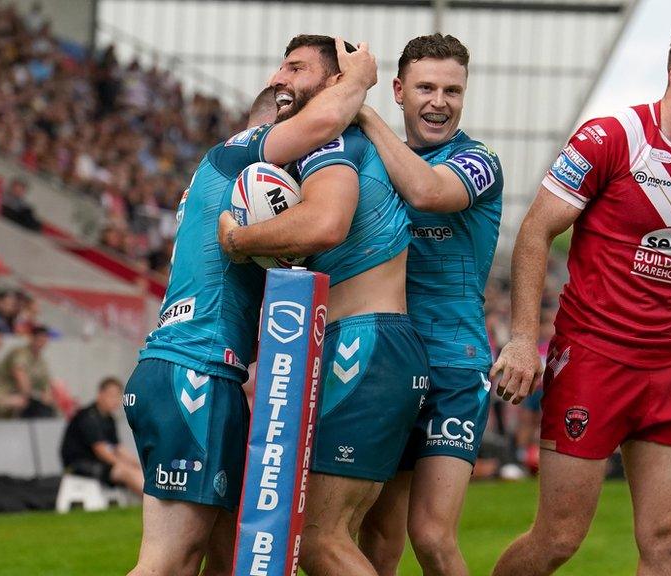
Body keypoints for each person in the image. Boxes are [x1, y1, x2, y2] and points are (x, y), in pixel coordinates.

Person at [490, 23, 671, 576]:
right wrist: (519, 339)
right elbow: (536, 232)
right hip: (593, 361)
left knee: (669, 544)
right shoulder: (610, 137)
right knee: (558, 539)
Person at [122, 38, 378, 576]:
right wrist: (357, 80)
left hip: (194, 369)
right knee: (169, 561)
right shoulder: (242, 150)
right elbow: (323, 120)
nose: (280, 76)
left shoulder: (235, 183)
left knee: (223, 557)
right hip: (194, 369)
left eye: (294, 68)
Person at [218, 35, 427, 576]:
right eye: (278, 66)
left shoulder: (335, 142)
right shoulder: (337, 145)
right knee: (350, 536)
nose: (278, 78)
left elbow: (326, 223)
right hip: (368, 344)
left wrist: (240, 238)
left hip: (363, 343)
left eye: (295, 67)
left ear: (335, 83)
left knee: (316, 539)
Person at [346, 33, 503, 576]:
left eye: (453, 90)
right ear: (399, 90)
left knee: (432, 536)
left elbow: (428, 193)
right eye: (426, 87)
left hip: (453, 366)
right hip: (387, 360)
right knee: (377, 534)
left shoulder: (478, 160)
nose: (440, 101)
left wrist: (365, 118)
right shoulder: (371, 162)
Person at [60, 377, 142, 495]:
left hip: (100, 462)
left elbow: (118, 447)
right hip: (79, 464)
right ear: (100, 394)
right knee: (125, 471)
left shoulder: (109, 419)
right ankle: (149, 500)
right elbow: (101, 450)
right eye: (111, 395)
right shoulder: (88, 417)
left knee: (135, 469)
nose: (115, 400)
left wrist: (138, 464)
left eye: (118, 396)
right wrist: (124, 464)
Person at [1, 324, 56, 418]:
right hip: (11, 393)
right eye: (39, 340)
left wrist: (48, 395)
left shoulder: (41, 361)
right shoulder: (21, 354)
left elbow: (46, 383)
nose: (41, 343)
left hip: (32, 397)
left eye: (44, 340)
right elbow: (20, 377)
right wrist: (39, 397)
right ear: (32, 339)